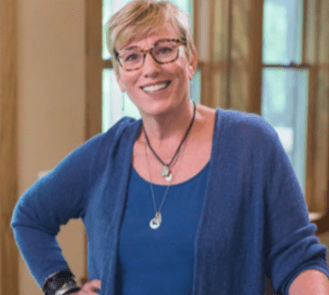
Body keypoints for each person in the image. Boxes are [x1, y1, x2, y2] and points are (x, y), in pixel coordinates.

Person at [11, 0, 329, 294]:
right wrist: (63, 289)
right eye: (132, 56)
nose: (150, 68)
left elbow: (299, 259)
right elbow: (29, 216)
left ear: (190, 59)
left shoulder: (251, 143)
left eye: (164, 49)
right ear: (120, 76)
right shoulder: (104, 156)